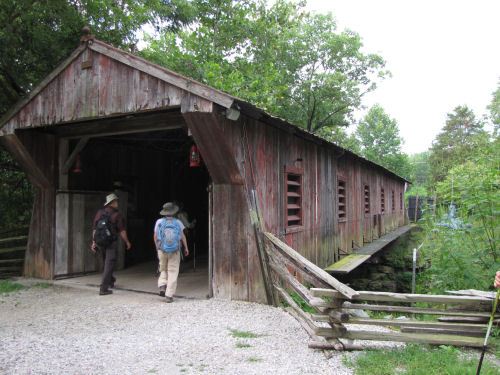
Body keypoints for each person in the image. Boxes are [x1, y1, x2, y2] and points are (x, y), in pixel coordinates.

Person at [91, 193, 132, 295]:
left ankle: (110, 280)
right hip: (111, 242)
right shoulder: (116, 215)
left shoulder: (100, 213)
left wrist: (94, 242)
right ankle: (103, 288)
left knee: (106, 262)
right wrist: (127, 241)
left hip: (100, 242)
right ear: (113, 203)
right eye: (116, 201)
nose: (117, 203)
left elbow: (95, 229)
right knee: (109, 264)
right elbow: (122, 230)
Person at [154, 202, 189, 302]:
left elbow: (155, 236)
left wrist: (157, 248)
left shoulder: (159, 222)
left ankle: (162, 285)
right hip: (175, 250)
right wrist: (186, 247)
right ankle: (169, 295)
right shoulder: (178, 222)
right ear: (174, 212)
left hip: (162, 249)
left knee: (163, 268)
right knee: (173, 271)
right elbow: (182, 236)